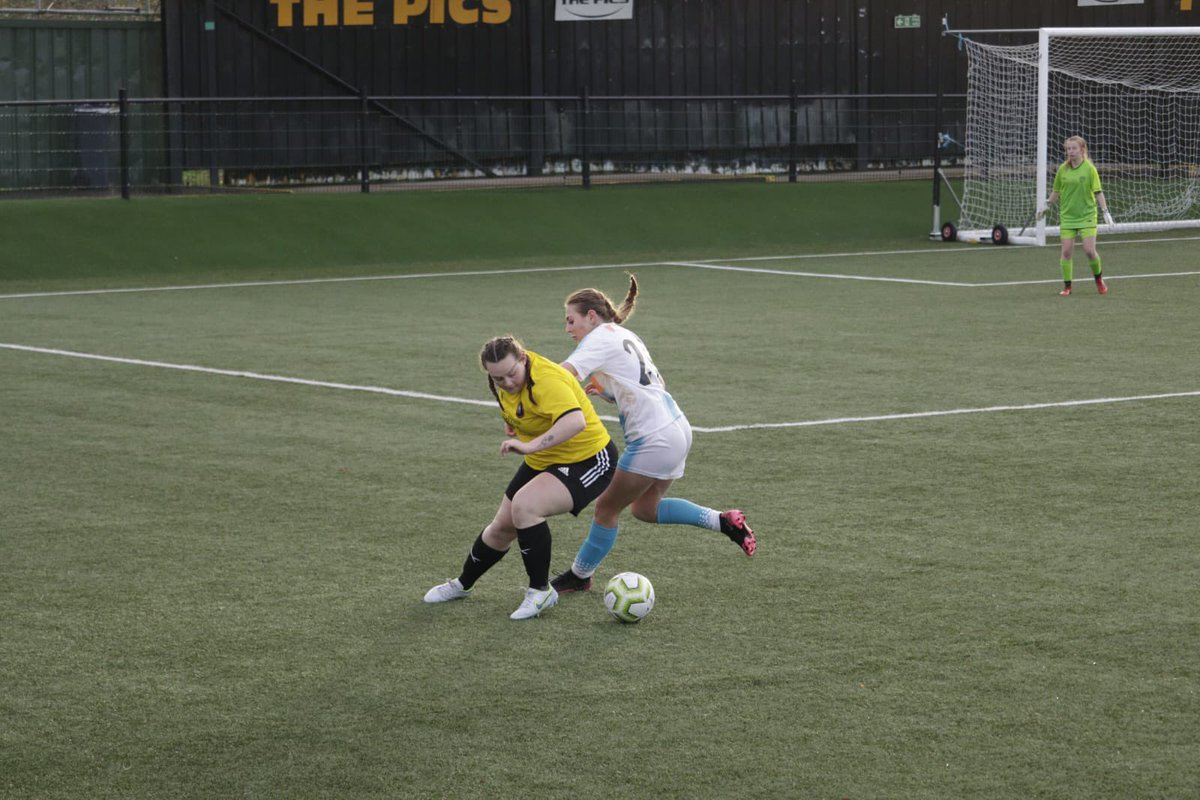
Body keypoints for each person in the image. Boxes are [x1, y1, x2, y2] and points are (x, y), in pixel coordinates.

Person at [549, 274, 756, 595]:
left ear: (591, 316)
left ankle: (579, 575)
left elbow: (563, 375)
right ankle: (724, 521)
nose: (568, 328)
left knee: (606, 508)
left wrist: (528, 381)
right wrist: (613, 394)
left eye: (570, 320)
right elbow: (652, 384)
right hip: (677, 427)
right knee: (645, 509)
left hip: (653, 438)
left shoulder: (598, 338)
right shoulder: (625, 334)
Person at [423, 335, 618, 619]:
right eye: (498, 378)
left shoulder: (548, 379)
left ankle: (541, 592)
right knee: (501, 526)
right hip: (545, 458)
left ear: (523, 358)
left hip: (589, 459)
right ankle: (462, 584)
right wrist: (513, 425)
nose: (507, 383)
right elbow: (514, 405)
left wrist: (528, 445)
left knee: (525, 506)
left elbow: (575, 421)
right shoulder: (499, 380)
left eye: (512, 373)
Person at [1039, 135, 1112, 297]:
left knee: (1089, 251)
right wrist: (1046, 205)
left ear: (1082, 150)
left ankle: (1099, 280)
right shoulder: (1062, 170)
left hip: (1087, 215)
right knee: (1066, 252)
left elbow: (1098, 192)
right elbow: (1056, 191)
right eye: (1068, 149)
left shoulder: (1089, 169)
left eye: (1074, 148)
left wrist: (1105, 212)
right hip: (1068, 216)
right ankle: (1067, 287)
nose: (1070, 152)